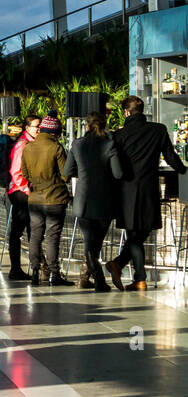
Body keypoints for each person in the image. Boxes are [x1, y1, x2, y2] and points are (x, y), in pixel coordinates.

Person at [109, 96, 187, 290]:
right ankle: (137, 276)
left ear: (126, 112)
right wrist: (184, 170)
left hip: (126, 190)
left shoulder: (119, 135)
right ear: (142, 110)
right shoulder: (158, 129)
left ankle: (124, 267)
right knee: (140, 232)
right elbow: (170, 156)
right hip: (149, 189)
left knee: (133, 232)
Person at [64, 112, 123, 292]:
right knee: (95, 242)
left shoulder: (77, 144)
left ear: (87, 126)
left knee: (91, 242)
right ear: (104, 125)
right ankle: (97, 279)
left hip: (83, 200)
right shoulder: (109, 144)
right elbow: (118, 173)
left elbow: (67, 170)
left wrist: (82, 173)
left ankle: (92, 278)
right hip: (105, 201)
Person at [21, 114, 72, 287]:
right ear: (55, 132)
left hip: (34, 199)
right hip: (55, 199)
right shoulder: (56, 147)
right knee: (52, 237)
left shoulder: (28, 147)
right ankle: (54, 274)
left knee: (35, 235)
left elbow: (25, 174)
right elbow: (65, 175)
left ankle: (35, 271)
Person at [5, 114, 41, 281]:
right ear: (27, 128)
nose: (39, 129)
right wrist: (28, 189)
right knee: (20, 230)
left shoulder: (31, 143)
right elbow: (16, 171)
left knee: (28, 229)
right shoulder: (23, 144)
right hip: (20, 193)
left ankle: (32, 268)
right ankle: (16, 269)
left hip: (22, 192)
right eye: (36, 126)